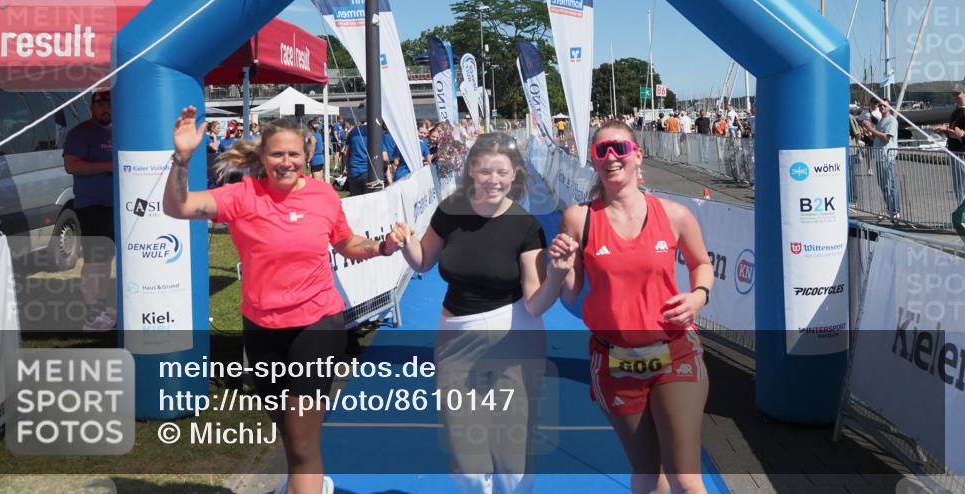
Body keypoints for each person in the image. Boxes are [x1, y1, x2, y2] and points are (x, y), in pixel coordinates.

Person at [163, 106, 406, 494]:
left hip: (316, 325)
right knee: (288, 431)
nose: (286, 162)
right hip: (261, 328)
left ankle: (306, 485)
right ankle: (306, 483)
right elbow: (177, 207)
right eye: (277, 154)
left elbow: (345, 242)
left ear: (307, 156)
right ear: (262, 158)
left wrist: (382, 246)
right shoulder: (242, 196)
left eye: (294, 154)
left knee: (303, 440)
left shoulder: (324, 195)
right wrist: (182, 158)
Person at [389, 133, 565, 494]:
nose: (494, 180)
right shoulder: (450, 211)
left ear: (514, 174)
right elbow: (422, 260)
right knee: (466, 457)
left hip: (515, 335)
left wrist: (558, 276)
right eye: (485, 172)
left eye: (501, 172)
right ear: (471, 170)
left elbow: (535, 301)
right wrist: (405, 243)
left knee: (512, 453)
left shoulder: (526, 225)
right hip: (455, 335)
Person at [548, 120, 715, 494]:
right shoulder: (579, 219)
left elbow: (701, 264)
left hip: (675, 351)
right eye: (601, 151)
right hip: (614, 361)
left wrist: (698, 295)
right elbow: (571, 294)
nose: (611, 157)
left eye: (619, 148)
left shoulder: (674, 215)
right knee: (647, 475)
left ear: (638, 155)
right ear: (593, 160)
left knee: (685, 479)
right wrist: (559, 270)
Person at [62, 89, 116, 331]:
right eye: (101, 105)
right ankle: (91, 315)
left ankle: (102, 306)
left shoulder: (119, 130)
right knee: (94, 261)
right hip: (91, 206)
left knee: (106, 260)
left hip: (116, 206)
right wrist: (107, 165)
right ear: (91, 108)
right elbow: (71, 166)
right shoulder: (81, 133)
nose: (106, 109)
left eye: (109, 104)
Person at [861, 101, 901, 222]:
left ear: (889, 107)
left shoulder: (891, 121)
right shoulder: (880, 122)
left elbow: (886, 137)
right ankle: (889, 209)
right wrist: (868, 131)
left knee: (890, 184)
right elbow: (875, 138)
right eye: (880, 106)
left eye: (884, 105)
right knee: (883, 185)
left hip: (887, 156)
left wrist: (871, 129)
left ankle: (895, 211)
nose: (882, 107)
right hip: (879, 156)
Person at [933, 82, 965, 206]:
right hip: (954, 151)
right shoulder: (955, 113)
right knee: (959, 188)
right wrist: (945, 131)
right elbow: (954, 133)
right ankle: (961, 215)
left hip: (961, 152)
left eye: (957, 94)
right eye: (953, 94)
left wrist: (956, 134)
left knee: (962, 188)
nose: (955, 97)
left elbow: (961, 135)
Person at [343, 119, 371, 196]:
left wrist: (346, 168)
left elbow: (345, 152)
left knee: (355, 200)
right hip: (368, 171)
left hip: (354, 170)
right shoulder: (371, 131)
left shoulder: (352, 133)